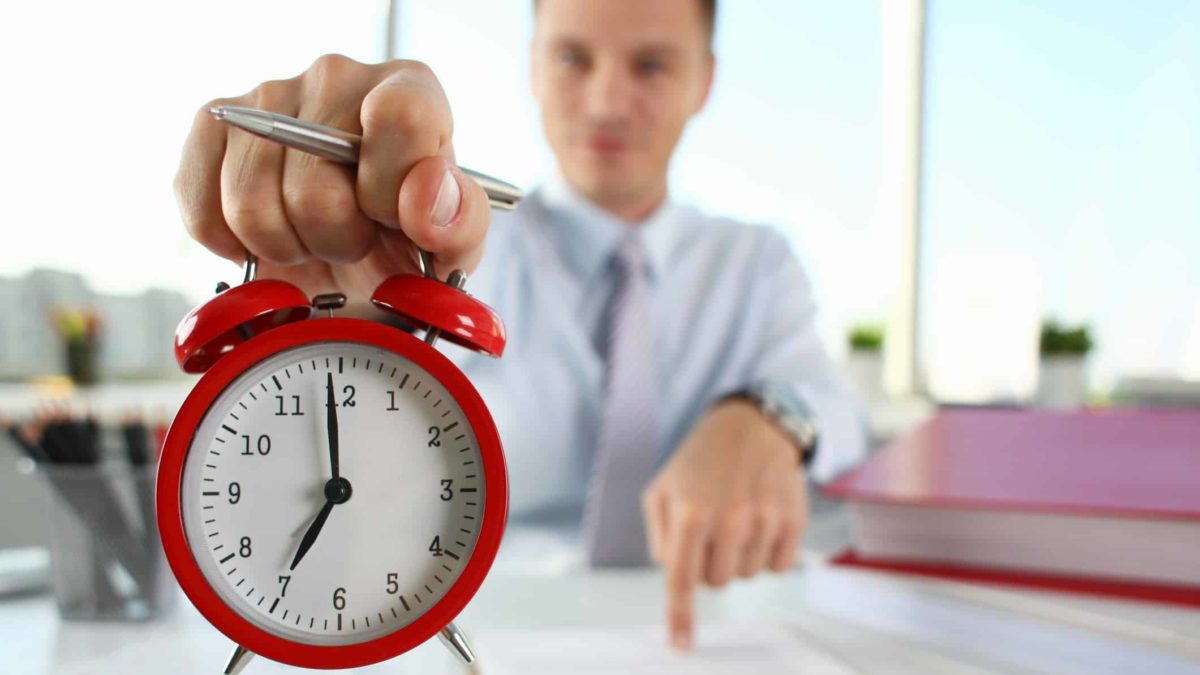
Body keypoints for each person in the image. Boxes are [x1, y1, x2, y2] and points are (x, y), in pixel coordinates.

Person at [176, 0, 865, 651]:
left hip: (704, 630)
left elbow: (836, 413)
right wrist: (338, 314)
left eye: (650, 65)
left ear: (705, 80)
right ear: (533, 64)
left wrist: (770, 415)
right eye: (572, 58)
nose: (605, 102)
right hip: (484, 621)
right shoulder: (435, 249)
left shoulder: (758, 264)